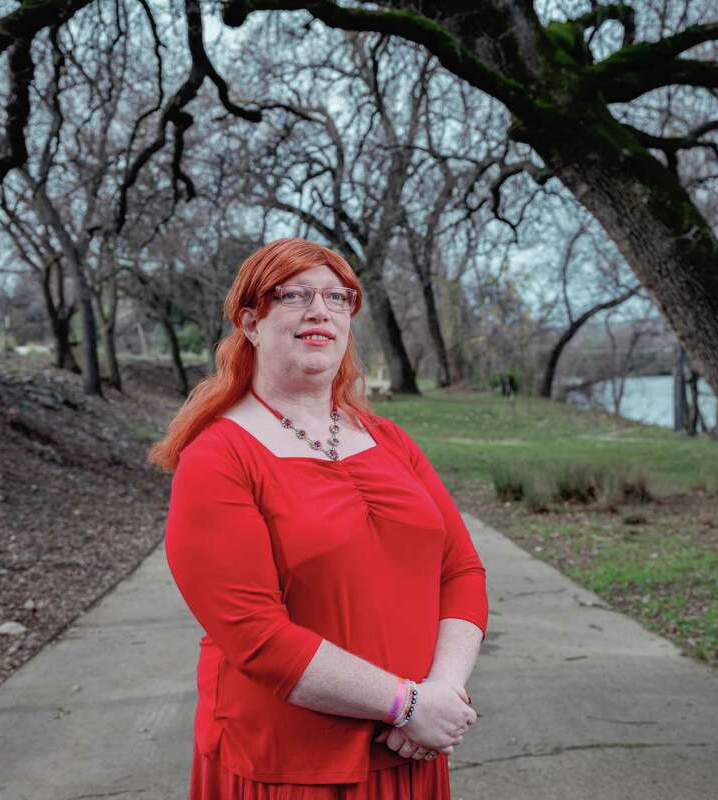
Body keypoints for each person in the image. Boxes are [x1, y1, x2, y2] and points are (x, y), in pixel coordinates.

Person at [152, 238, 488, 799]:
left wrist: (440, 695)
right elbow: (257, 636)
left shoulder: (388, 440)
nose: (320, 311)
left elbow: (461, 571)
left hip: (411, 749)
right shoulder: (216, 458)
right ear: (250, 322)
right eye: (295, 296)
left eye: (338, 298)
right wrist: (404, 703)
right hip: (290, 765)